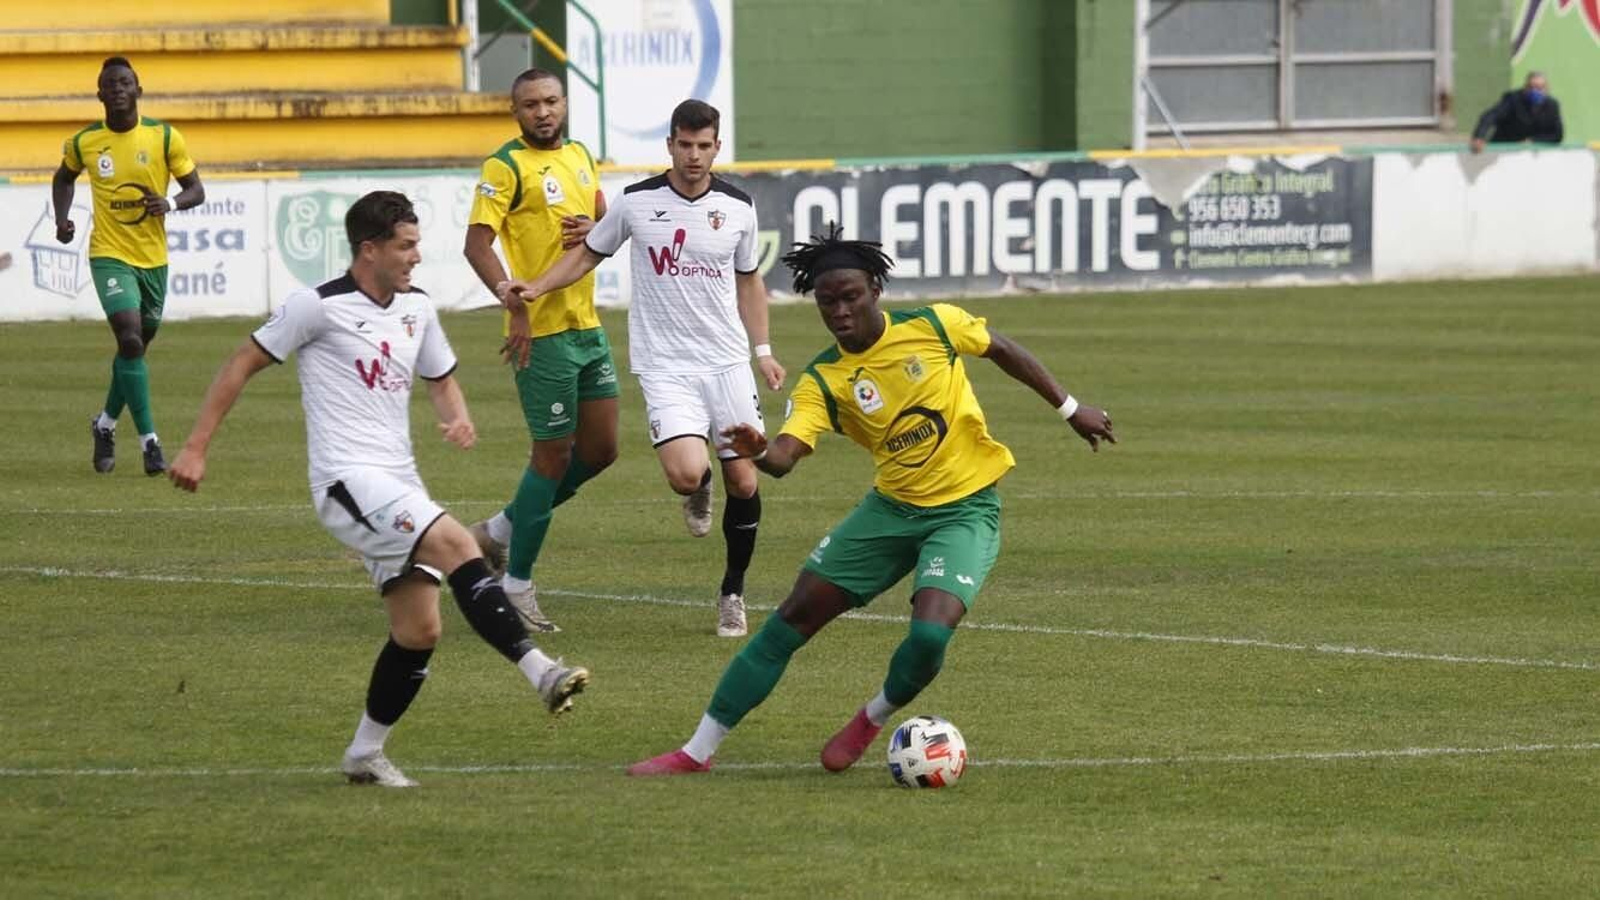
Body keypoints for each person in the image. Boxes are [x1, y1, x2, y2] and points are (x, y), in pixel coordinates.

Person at [625, 227, 1117, 776]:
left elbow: (1002, 349)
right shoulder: (824, 380)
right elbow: (787, 455)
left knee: (929, 637)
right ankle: (696, 752)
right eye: (826, 302)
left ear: (876, 289)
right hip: (889, 512)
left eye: (850, 296)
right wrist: (760, 452)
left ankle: (871, 718)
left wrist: (1071, 409)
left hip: (965, 510)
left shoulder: (935, 325)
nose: (838, 311)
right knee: (789, 620)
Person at [168, 191, 590, 788]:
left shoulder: (417, 307)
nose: (417, 256)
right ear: (369, 250)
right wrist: (195, 446)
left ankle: (364, 753)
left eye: (416, 243)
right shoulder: (315, 307)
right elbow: (240, 363)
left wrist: (457, 415)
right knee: (458, 544)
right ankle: (541, 672)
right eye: (406, 245)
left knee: (419, 631)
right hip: (347, 481)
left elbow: (441, 377)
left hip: (398, 482)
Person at [502, 99, 786, 638]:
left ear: (717, 147)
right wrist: (537, 286)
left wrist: (763, 350)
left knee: (745, 481)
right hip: (666, 366)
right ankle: (700, 482)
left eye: (705, 146)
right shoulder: (637, 202)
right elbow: (587, 252)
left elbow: (749, 280)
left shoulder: (739, 208)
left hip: (726, 363)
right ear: (671, 145)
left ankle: (732, 592)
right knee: (685, 474)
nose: (695, 155)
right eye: (685, 144)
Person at [462, 67, 618, 634]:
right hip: (542, 333)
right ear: (516, 112)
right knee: (550, 457)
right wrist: (509, 294)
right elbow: (476, 243)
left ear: (565, 103)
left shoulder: (580, 154)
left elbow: (603, 220)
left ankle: (500, 532)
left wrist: (594, 224)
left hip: (587, 326)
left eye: (551, 101)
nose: (543, 112)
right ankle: (517, 584)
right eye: (531, 104)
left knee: (601, 451)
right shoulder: (504, 166)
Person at [53, 56, 206, 476]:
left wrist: (170, 202)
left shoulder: (163, 137)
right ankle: (150, 443)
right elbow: (63, 178)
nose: (118, 89)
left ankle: (104, 424)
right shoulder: (85, 142)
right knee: (131, 338)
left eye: (125, 82)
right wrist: (62, 219)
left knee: (134, 347)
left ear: (138, 90)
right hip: (109, 254)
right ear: (100, 94)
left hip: (153, 260)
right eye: (110, 84)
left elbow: (196, 190)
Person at [1470, 71, 1563, 153]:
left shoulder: (1552, 106)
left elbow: (1557, 135)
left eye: (1539, 88)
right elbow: (1491, 116)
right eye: (1531, 87)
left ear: (1546, 89)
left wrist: (1533, 140)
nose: (1535, 91)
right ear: (1525, 87)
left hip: (1529, 156)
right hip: (1504, 149)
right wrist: (1479, 137)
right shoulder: (1513, 100)